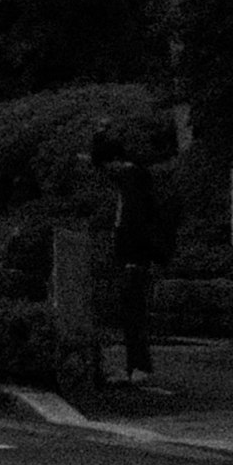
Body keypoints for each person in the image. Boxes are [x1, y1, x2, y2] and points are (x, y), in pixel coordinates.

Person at [95, 128, 170, 378]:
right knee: (132, 312)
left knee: (133, 312)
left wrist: (132, 256)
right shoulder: (134, 179)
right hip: (136, 255)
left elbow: (134, 222)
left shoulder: (130, 181)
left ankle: (138, 366)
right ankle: (136, 365)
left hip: (133, 257)